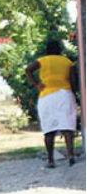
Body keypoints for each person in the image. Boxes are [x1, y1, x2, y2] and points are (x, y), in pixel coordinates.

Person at [25, 39, 78, 168]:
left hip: (47, 96)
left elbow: (28, 70)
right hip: (65, 95)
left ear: (46, 51)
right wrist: (75, 94)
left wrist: (36, 84)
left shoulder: (42, 61)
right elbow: (73, 81)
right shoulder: (67, 62)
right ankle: (71, 155)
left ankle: (50, 160)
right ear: (60, 50)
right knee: (67, 127)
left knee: (49, 130)